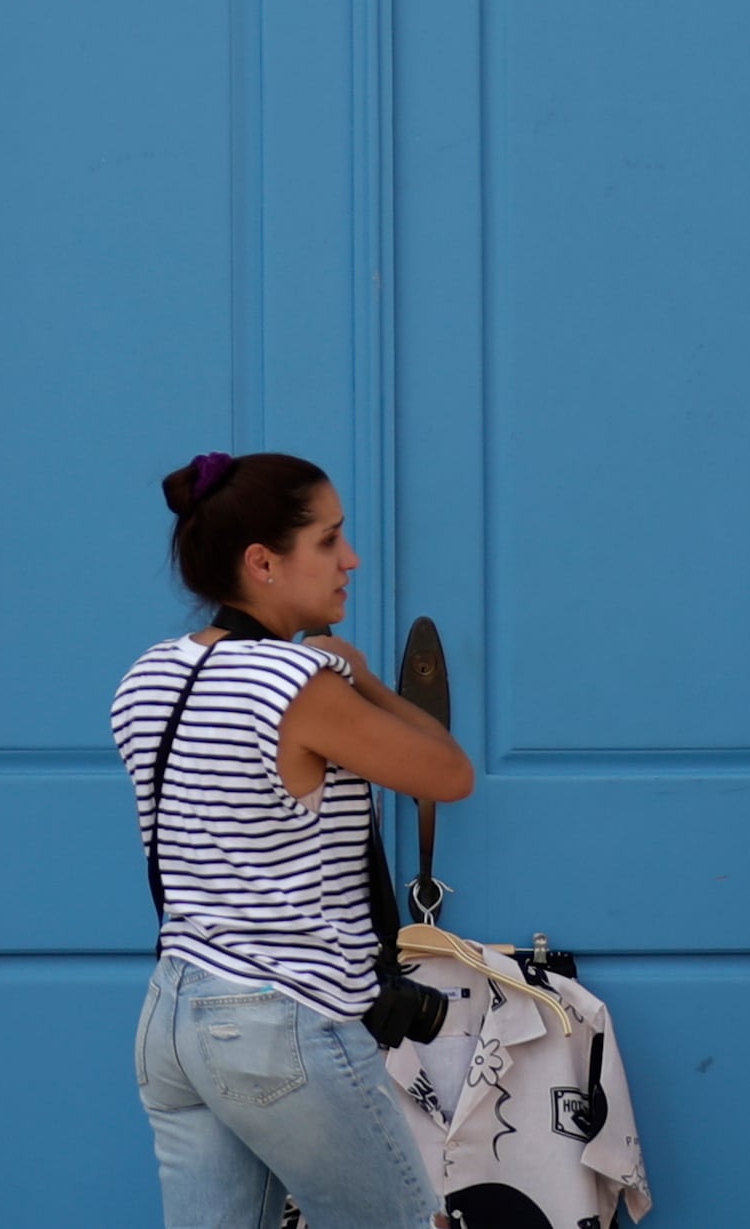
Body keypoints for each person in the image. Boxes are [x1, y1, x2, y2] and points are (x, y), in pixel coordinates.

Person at [110, 449, 477, 1229]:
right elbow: (448, 772)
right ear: (263, 563)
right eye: (329, 539)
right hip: (283, 1021)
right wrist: (363, 679)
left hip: (176, 1016)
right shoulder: (295, 685)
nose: (352, 559)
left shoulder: (150, 676)